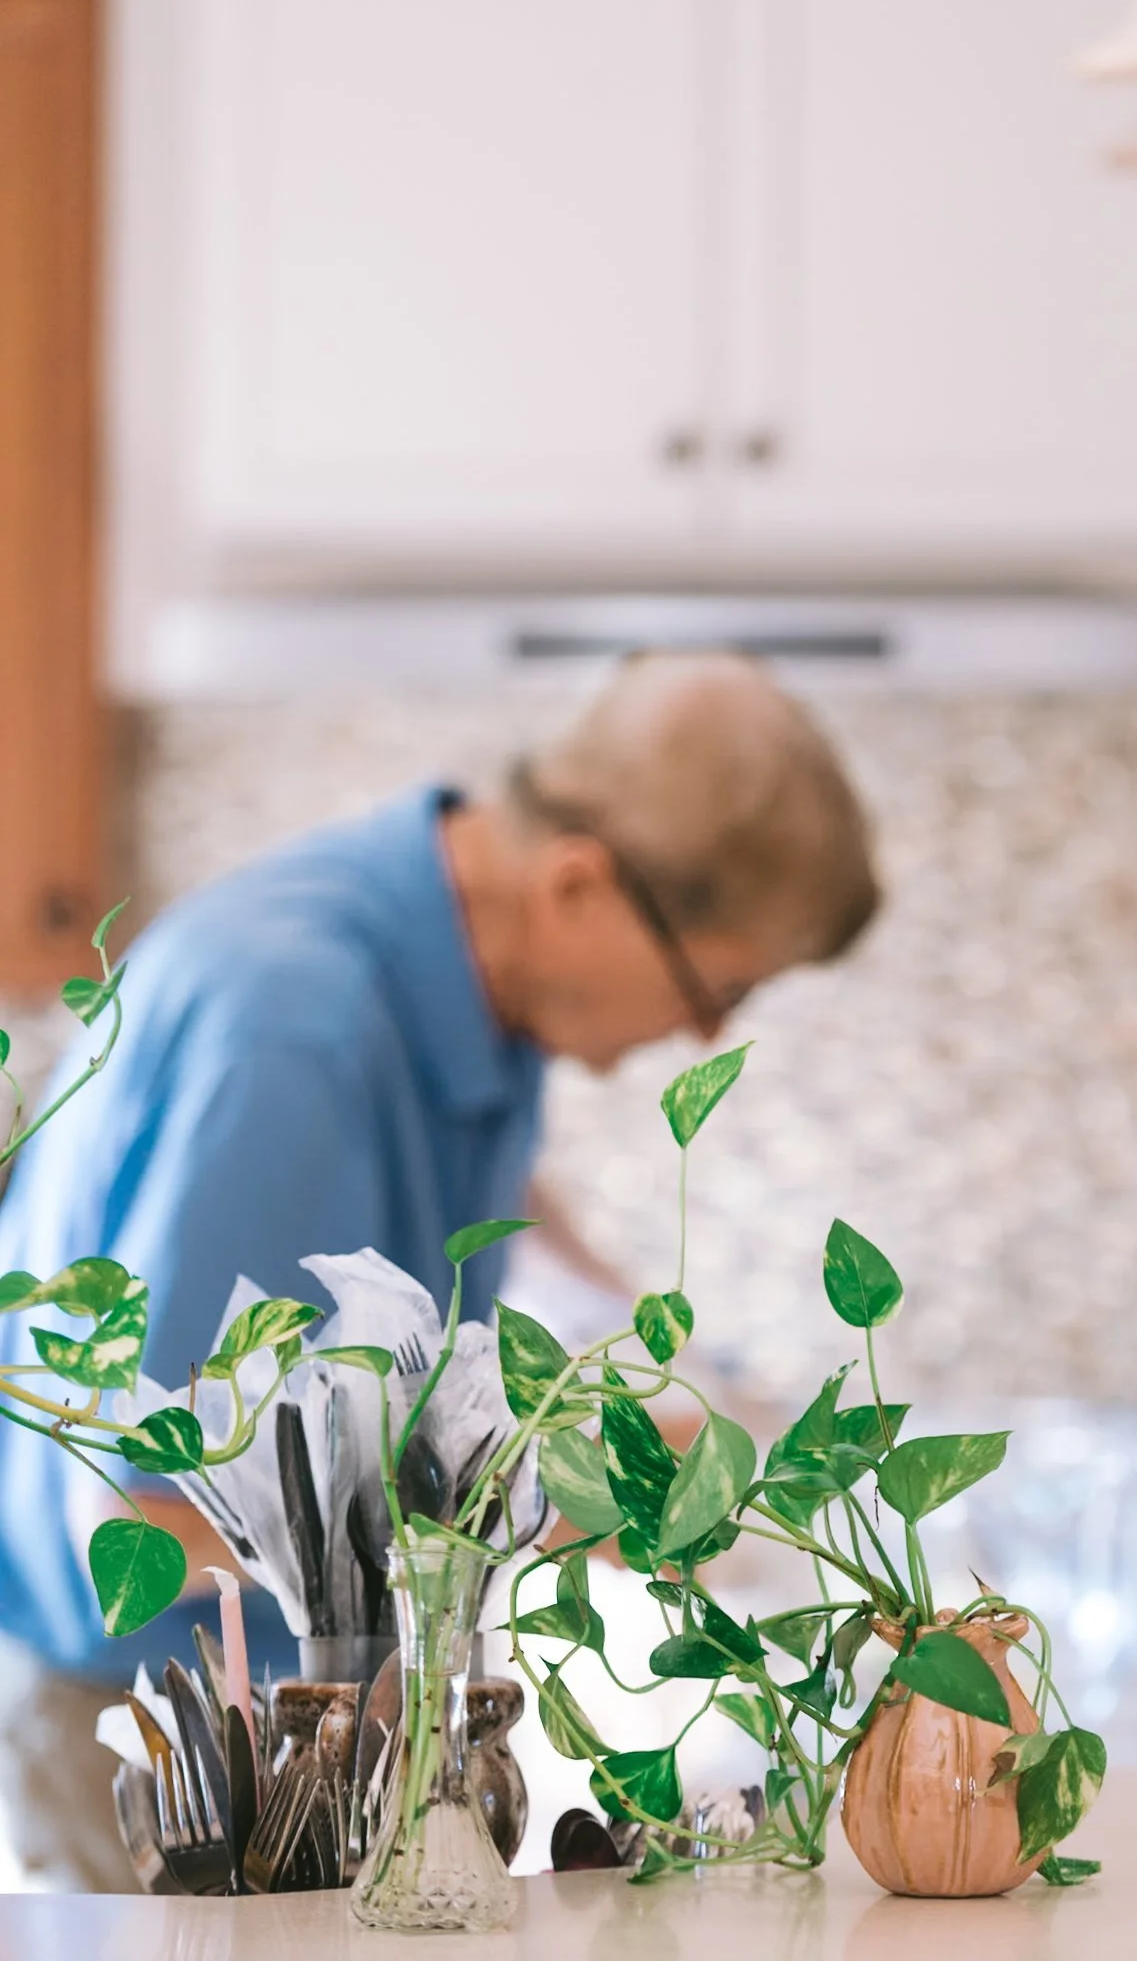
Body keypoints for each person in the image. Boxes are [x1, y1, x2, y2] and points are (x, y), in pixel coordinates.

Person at [0, 649, 880, 1888]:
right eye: (716, 985)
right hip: (172, 1752)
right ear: (581, 884)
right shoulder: (295, 1035)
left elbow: (448, 1192)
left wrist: (628, 1322)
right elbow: (163, 1502)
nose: (706, 1035)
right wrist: (585, 1492)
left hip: (297, 1713)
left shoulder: (460, 956)